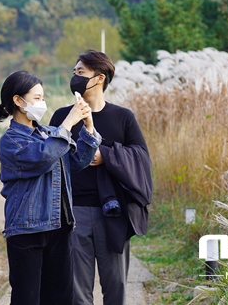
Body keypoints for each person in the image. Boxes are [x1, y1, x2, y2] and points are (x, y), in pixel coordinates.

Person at [49, 51, 153, 305]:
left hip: (113, 214)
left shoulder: (123, 117)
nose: (74, 77)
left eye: (81, 72)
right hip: (73, 213)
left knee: (116, 286)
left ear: (99, 78)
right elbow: (48, 158)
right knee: (77, 292)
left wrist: (106, 154)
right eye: (74, 72)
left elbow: (142, 160)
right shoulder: (62, 117)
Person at [0, 71, 102, 305]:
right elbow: (43, 157)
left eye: (43, 97)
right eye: (37, 97)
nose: (42, 103)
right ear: (18, 101)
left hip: (60, 226)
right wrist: (68, 123)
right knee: (27, 298)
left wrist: (89, 128)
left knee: (61, 297)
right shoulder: (11, 140)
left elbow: (77, 162)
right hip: (26, 228)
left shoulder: (51, 134)